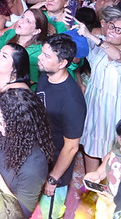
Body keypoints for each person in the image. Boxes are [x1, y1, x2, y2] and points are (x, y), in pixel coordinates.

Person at [0, 88, 55, 218]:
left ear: (17, 125)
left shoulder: (34, 166)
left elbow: (21, 212)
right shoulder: (10, 136)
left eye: (1, 119)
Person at [74, 13, 121, 172]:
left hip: (113, 111)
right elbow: (80, 42)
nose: (111, 31)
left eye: (118, 30)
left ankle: (108, 191)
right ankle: (90, 187)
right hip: (94, 105)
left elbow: (118, 56)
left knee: (112, 153)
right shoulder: (99, 49)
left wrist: (90, 35)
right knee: (90, 146)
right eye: (112, 26)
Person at [36, 34, 86, 219]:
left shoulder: (72, 100)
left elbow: (71, 147)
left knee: (49, 213)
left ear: (62, 63)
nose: (40, 57)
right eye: (43, 52)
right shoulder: (45, 75)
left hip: (56, 167)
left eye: (47, 56)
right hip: (39, 159)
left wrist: (53, 178)